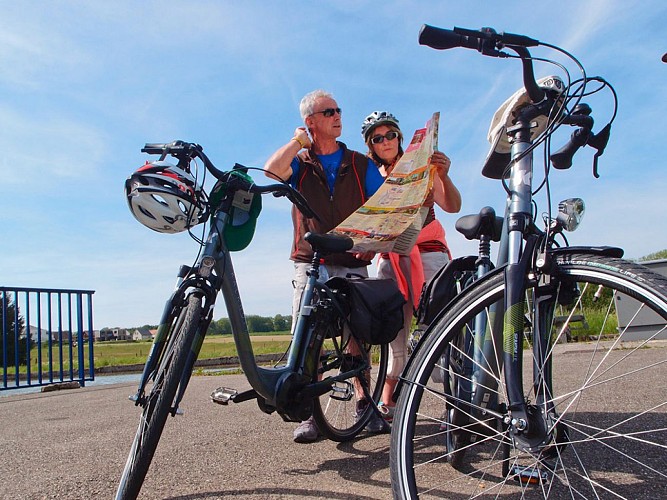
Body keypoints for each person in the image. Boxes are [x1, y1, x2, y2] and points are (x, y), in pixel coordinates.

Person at [264, 90, 385, 442]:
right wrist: (297, 142)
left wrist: (372, 244)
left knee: (355, 336)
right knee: (306, 338)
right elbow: (271, 172)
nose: (338, 115)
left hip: (350, 258)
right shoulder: (300, 163)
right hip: (310, 259)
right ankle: (312, 414)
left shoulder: (361, 164)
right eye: (328, 111)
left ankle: (365, 404)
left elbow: (384, 208)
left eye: (338, 109)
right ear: (311, 122)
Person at [361, 111, 462, 423]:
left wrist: (442, 174)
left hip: (428, 252)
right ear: (371, 145)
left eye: (390, 134)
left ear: (400, 137)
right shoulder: (369, 174)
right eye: (378, 138)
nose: (385, 141)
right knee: (395, 332)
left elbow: (452, 206)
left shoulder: (420, 165)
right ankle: (390, 400)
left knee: (443, 327)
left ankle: (458, 403)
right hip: (390, 258)